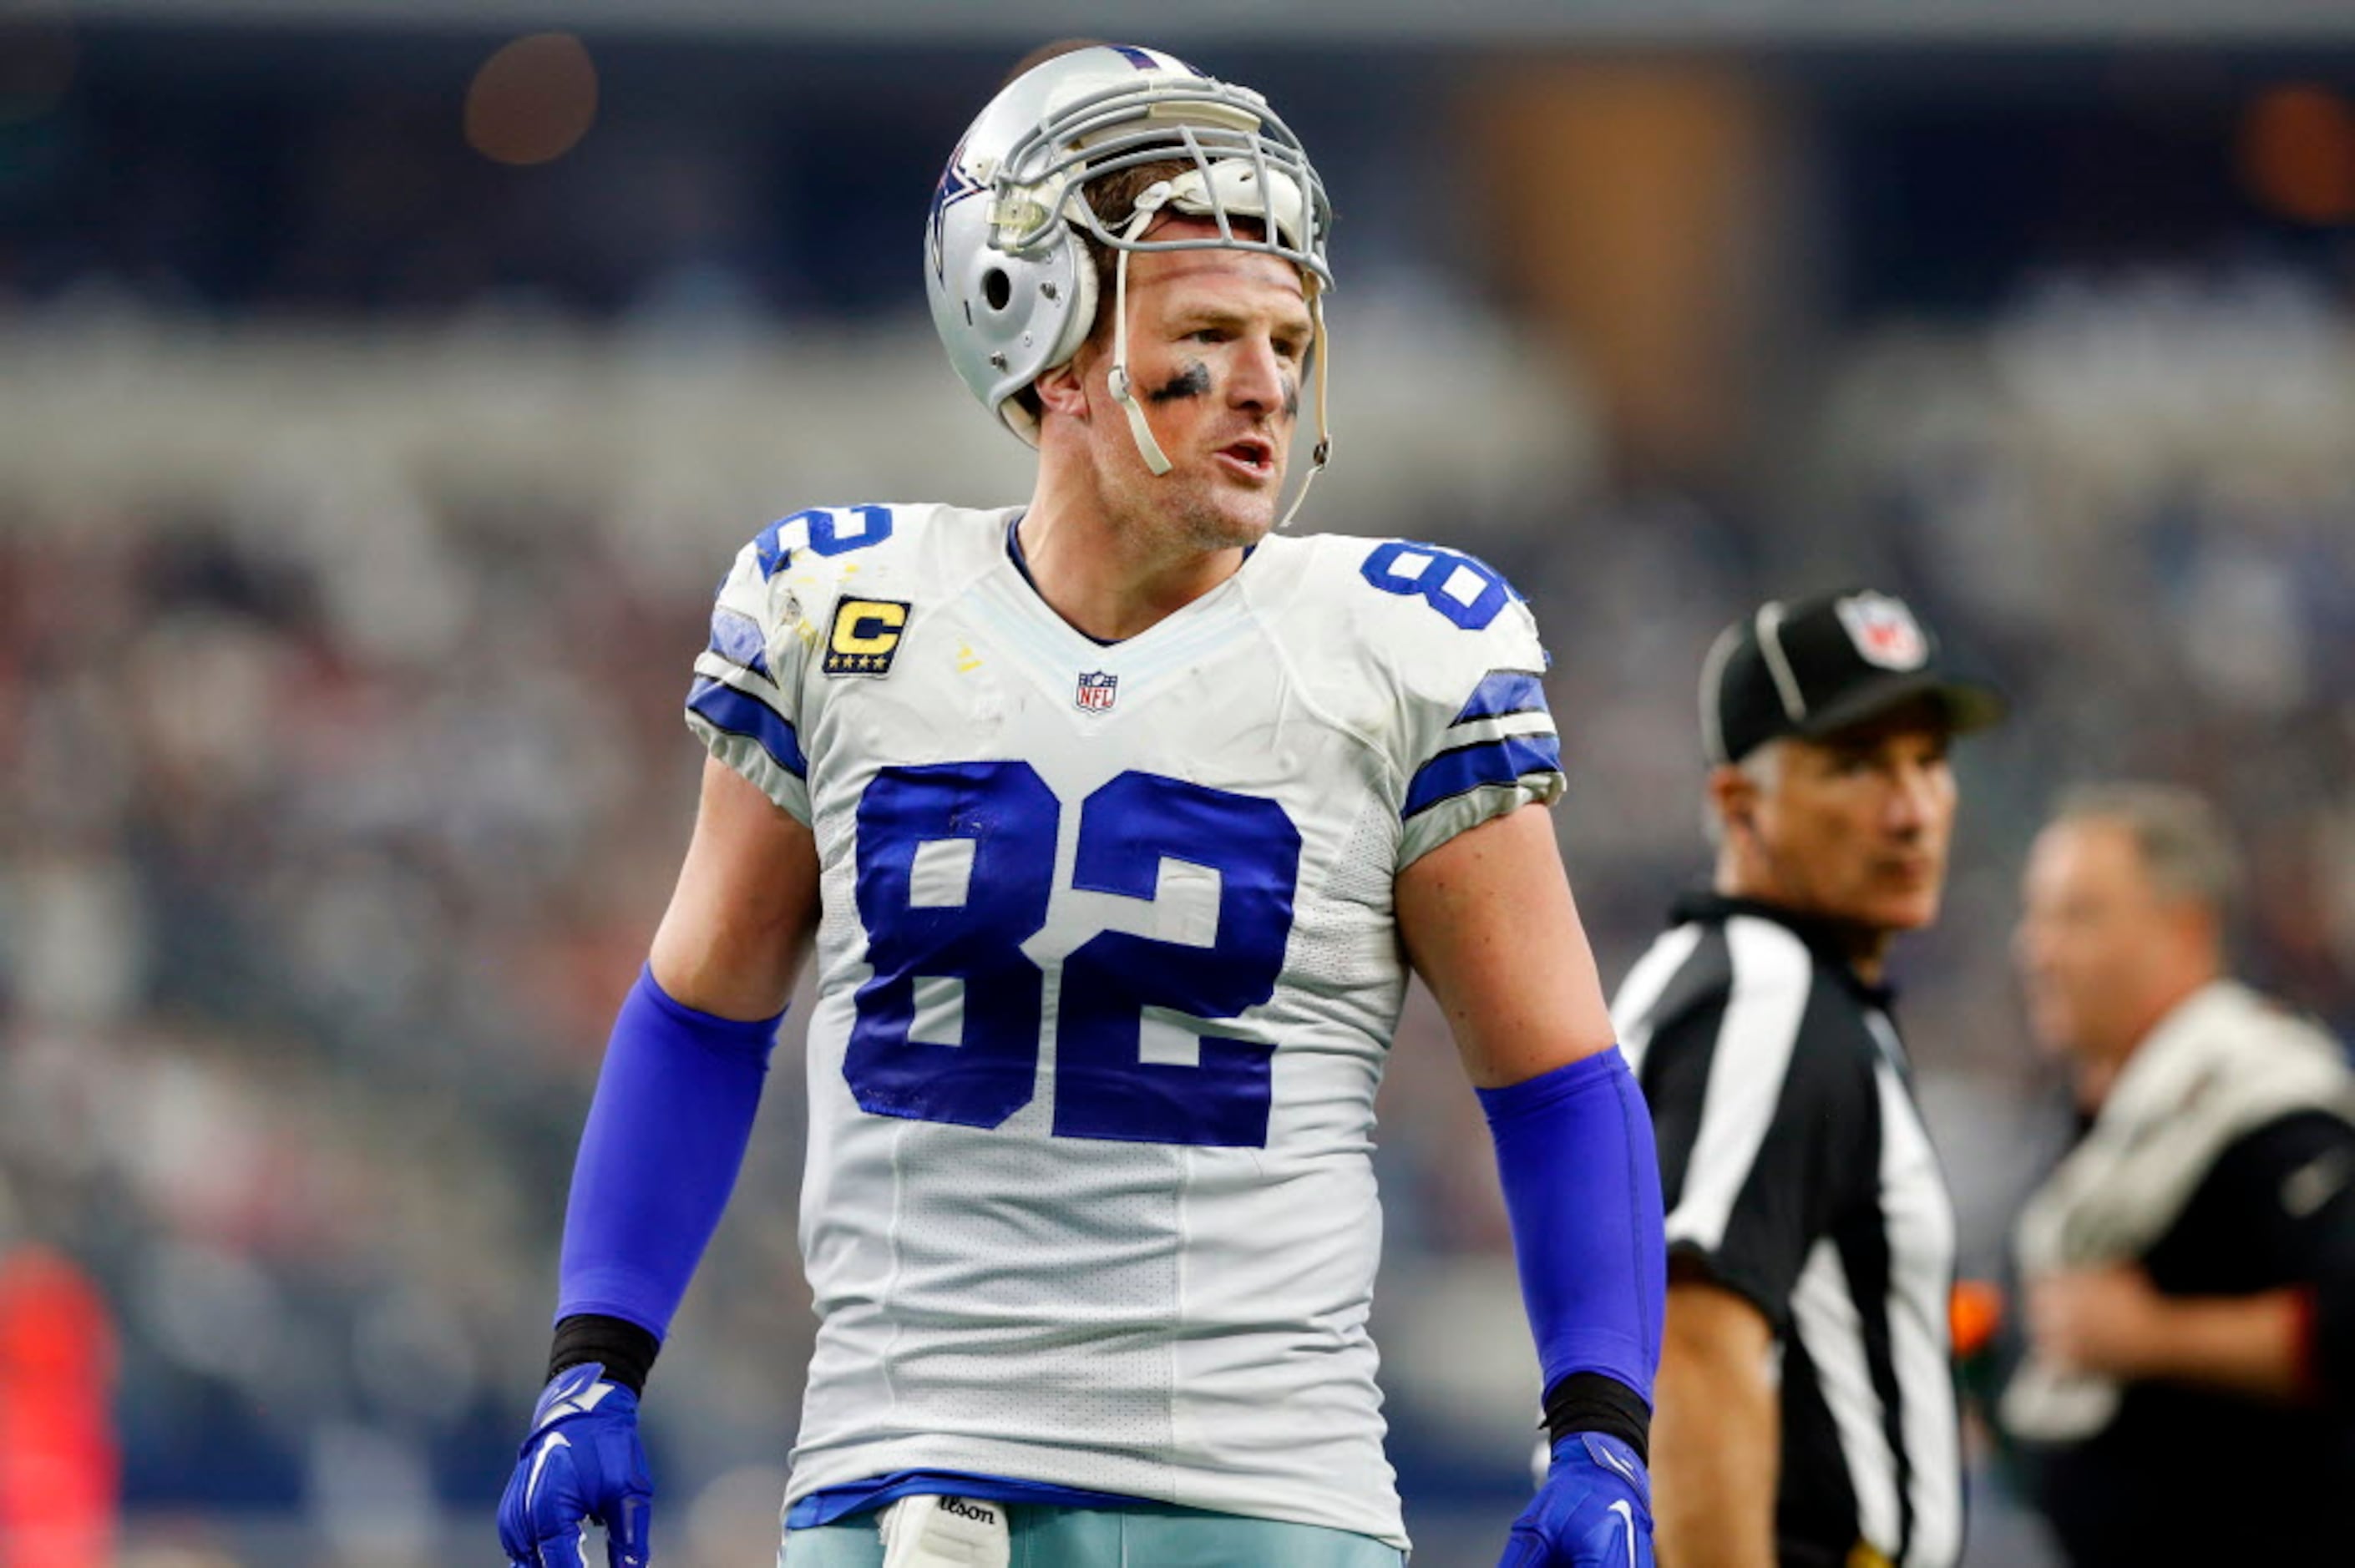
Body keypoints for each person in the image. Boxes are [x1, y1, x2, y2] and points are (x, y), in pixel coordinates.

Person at [494, 43, 1665, 1568]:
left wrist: (1603, 1425)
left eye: (1287, 334)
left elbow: (1560, 1076)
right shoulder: (843, 609)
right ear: (1041, 337)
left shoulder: (1399, 648)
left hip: (1264, 1491)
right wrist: (594, 1357)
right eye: (1209, 333)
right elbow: (700, 1011)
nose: (1266, 383)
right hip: (888, 1479)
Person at [1613, 589, 2003, 1568]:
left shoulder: (1741, 982)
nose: (1913, 810)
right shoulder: (1766, 996)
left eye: (1929, 761)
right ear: (1740, 805)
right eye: (1857, 765)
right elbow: (1695, 1347)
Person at [2003, 783, 2355, 1565]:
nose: (2038, 949)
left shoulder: (2264, 1101)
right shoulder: (2100, 1111)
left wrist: (2155, 1338)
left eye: (2078, 916)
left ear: (2184, 930)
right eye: (2038, 915)